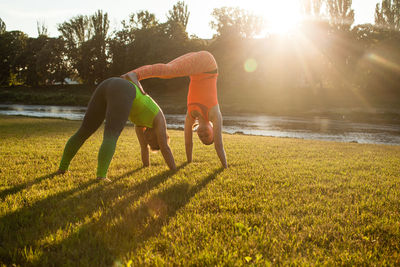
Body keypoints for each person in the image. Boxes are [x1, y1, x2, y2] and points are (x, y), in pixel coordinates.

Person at [121, 51, 228, 168]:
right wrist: (225, 166)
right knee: (169, 71)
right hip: (207, 64)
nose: (202, 134)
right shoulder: (214, 114)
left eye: (201, 137)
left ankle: (133, 75)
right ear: (213, 129)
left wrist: (188, 162)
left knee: (168, 70)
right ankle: (134, 75)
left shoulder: (191, 115)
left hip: (197, 68)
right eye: (207, 136)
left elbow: (188, 143)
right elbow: (219, 145)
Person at [58, 77, 176, 181]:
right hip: (123, 90)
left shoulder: (141, 126)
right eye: (152, 142)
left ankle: (62, 169)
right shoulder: (159, 119)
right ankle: (101, 176)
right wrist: (174, 171)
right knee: (110, 135)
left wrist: (146, 167)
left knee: (85, 131)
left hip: (107, 84)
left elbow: (143, 148)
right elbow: (165, 147)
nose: (148, 141)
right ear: (158, 137)